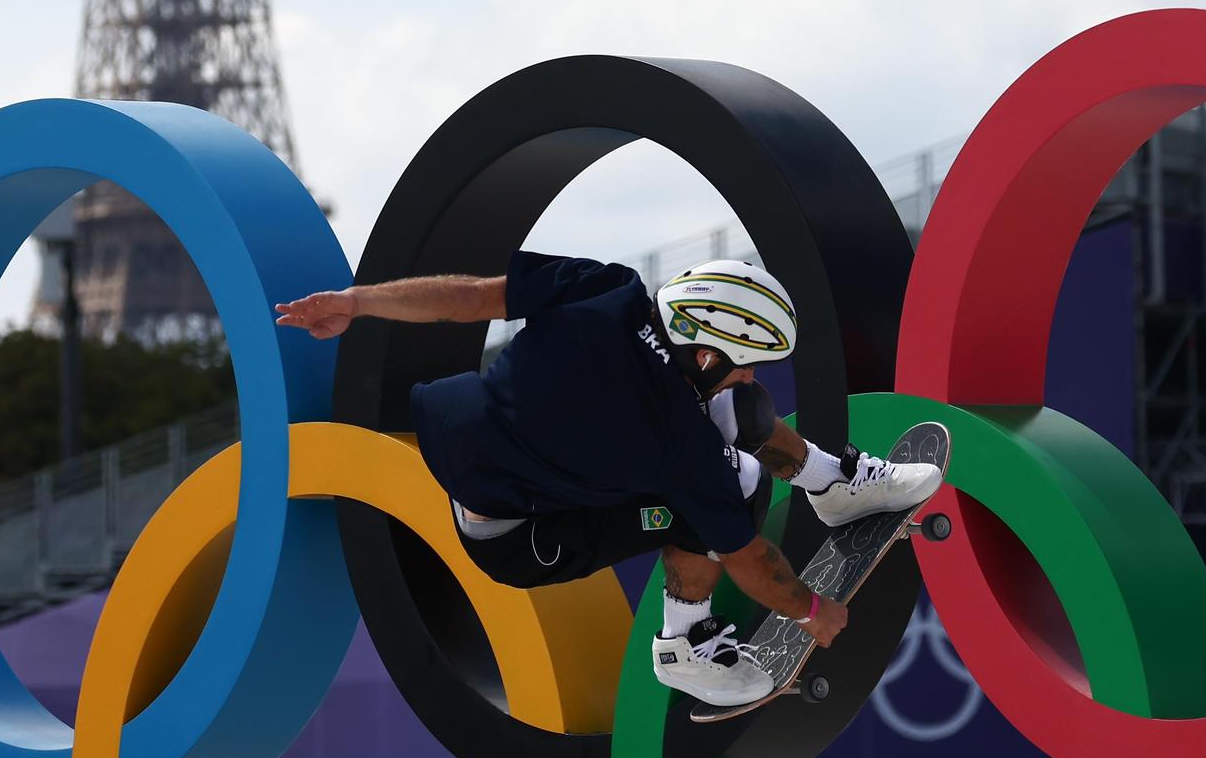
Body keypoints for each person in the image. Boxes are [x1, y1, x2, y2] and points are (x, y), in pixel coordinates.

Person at [275, 252, 942, 706]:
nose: (754, 377)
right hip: (523, 537)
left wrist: (357, 301)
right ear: (707, 351)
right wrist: (814, 614)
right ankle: (683, 647)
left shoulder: (613, 290)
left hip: (483, 448)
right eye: (749, 363)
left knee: (733, 423)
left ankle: (832, 483)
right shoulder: (674, 441)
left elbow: (471, 297)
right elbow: (750, 560)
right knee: (728, 481)